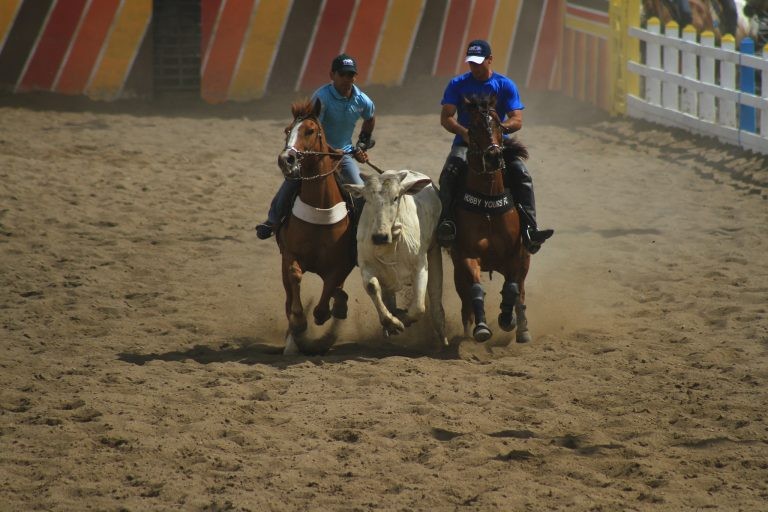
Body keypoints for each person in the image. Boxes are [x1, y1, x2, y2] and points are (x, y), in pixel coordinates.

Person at [436, 39, 553, 254]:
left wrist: (497, 131)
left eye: (479, 62)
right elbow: (446, 117)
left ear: (490, 60)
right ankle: (447, 223)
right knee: (449, 173)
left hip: (498, 141)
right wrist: (466, 133)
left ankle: (529, 229)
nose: (475, 67)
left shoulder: (505, 84)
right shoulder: (457, 84)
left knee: (522, 174)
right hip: (466, 143)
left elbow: (517, 119)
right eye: (471, 63)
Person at [255, 53, 376, 239]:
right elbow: (312, 129)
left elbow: (370, 118)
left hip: (344, 155)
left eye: (351, 75)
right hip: (317, 153)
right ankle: (272, 220)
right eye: (342, 74)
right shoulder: (321, 97)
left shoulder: (362, 100)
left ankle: (362, 231)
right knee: (293, 181)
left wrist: (362, 143)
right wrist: (330, 150)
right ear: (332, 75)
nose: (347, 79)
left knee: (359, 189)